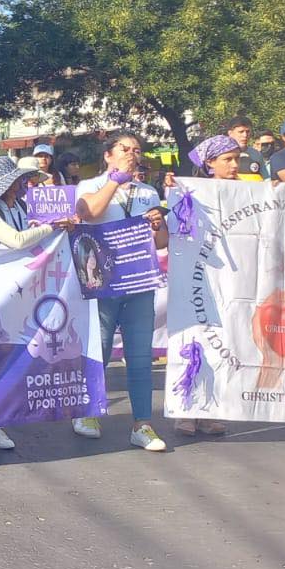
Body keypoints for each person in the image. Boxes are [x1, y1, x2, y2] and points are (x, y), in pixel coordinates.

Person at [0, 156, 66, 457]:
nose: (23, 185)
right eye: (18, 181)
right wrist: (48, 227)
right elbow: (17, 241)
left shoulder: (15, 208)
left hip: (11, 291)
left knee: (6, 359)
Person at [73, 130, 169, 452]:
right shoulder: (90, 186)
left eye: (136, 150)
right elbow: (88, 213)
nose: (131, 154)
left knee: (139, 356)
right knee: (98, 350)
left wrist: (157, 225)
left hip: (139, 281)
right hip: (103, 282)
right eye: (124, 149)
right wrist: (115, 181)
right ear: (108, 155)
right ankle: (88, 412)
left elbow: (161, 242)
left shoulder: (147, 192)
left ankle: (142, 424)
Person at [165, 134, 244, 438]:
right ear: (210, 163)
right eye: (228, 159)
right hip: (194, 275)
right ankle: (186, 409)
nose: (235, 165)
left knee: (223, 341)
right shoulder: (190, 192)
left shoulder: (246, 192)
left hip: (231, 281)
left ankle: (212, 408)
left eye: (237, 159)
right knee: (191, 337)